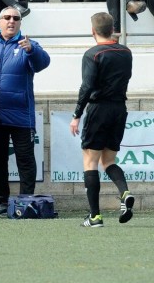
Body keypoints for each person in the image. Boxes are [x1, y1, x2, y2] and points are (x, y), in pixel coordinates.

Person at [69, 12, 135, 228]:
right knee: (109, 161)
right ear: (112, 29)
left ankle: (95, 216)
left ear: (93, 31)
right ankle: (124, 192)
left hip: (99, 109)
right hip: (119, 108)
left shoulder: (93, 54)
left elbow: (87, 87)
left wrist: (77, 115)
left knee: (90, 162)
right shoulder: (126, 52)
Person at [0, 6, 50, 216]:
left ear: (20, 23)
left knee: (25, 160)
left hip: (21, 115)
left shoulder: (27, 44)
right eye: (7, 17)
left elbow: (42, 63)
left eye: (15, 18)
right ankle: (2, 202)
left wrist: (32, 50)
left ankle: (25, 200)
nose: (11, 21)